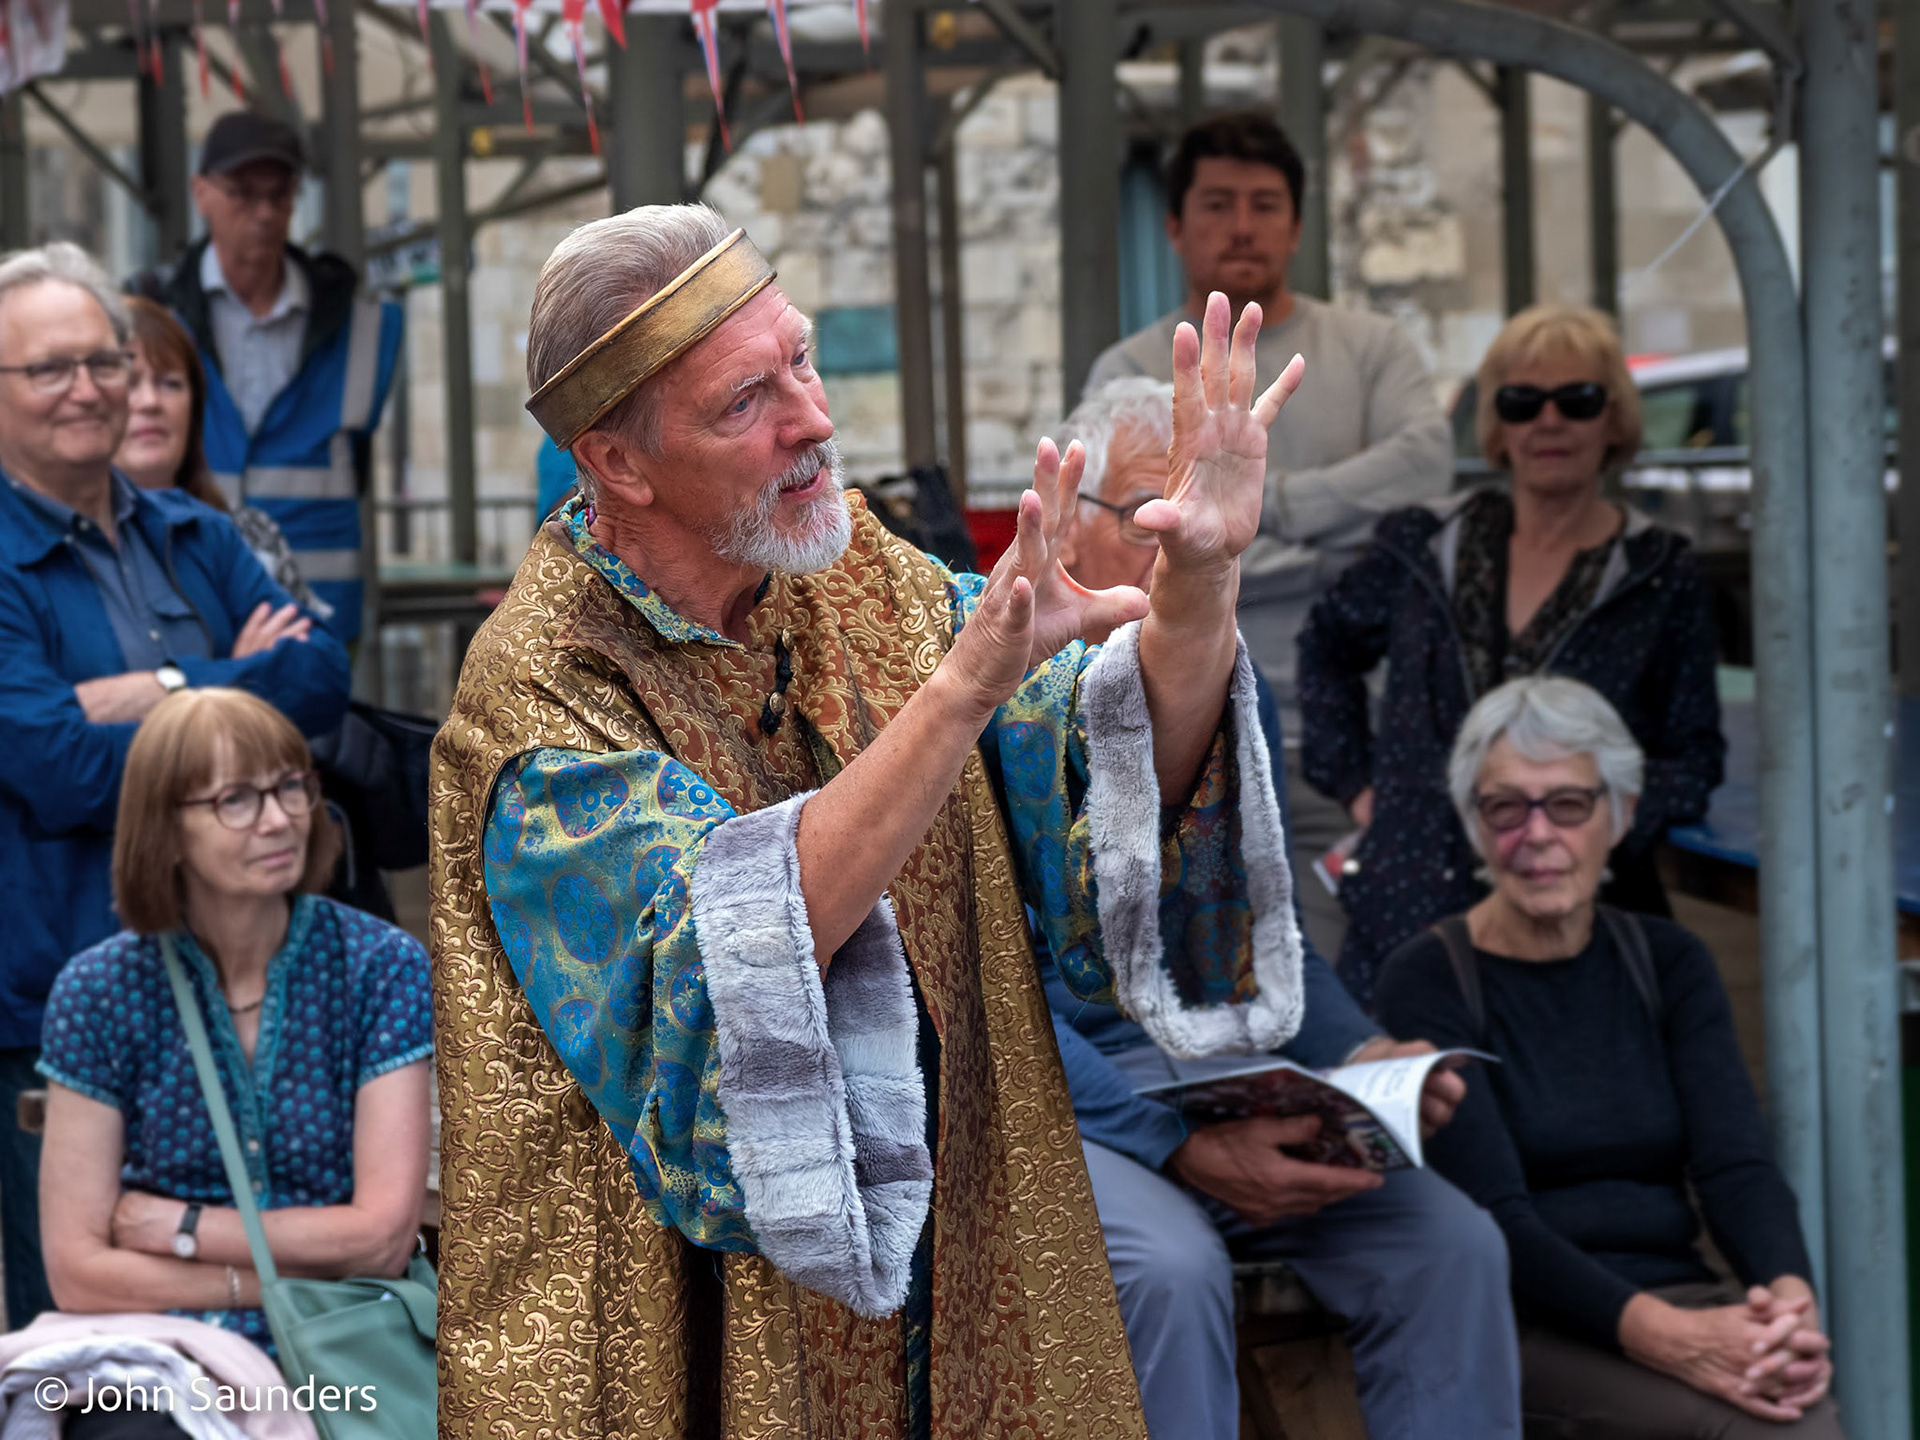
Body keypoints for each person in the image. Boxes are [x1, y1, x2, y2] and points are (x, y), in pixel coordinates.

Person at [431, 202, 1307, 1437]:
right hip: (683, 1325)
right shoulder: (542, 686)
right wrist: (961, 689)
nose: (813, 421)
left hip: (957, 1274)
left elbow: (1095, 787)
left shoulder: (853, 573)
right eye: (747, 401)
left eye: (803, 360)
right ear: (617, 462)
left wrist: (1200, 586)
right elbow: (722, 967)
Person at [1052, 377, 1520, 1440]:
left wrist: (1362, 1063)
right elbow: (980, 994)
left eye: (1208, 507)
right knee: (1170, 1271)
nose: (1186, 539)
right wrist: (1172, 1144)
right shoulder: (999, 672)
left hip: (1219, 1071)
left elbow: (1270, 923)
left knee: (1452, 1247)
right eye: (1149, 513)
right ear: (1071, 513)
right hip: (1061, 1097)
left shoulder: (1222, 673)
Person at [0, 241, 350, 1330]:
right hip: (67, 999)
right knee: (100, 1334)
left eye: (103, 360)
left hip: (257, 981)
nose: (90, 388)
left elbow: (318, 683)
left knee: (278, 1319)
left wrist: (152, 687)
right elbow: (54, 768)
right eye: (48, 369)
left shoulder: (196, 533)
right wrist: (234, 698)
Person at [1375, 677, 1838, 1438]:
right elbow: (1498, 1222)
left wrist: (1789, 1305)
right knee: (1769, 1432)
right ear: (1474, 826)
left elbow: (1737, 1168)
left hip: (1680, 1298)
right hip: (1525, 1323)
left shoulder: (1666, 960)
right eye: (1505, 808)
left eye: (1568, 803)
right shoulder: (1429, 978)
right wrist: (1673, 1341)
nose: (1538, 834)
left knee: (1801, 1404)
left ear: (1619, 814)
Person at [1084, 110, 1453, 967]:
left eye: (1264, 203)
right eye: (1217, 204)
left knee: (1363, 953)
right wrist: (1325, 525)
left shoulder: (1368, 348)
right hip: (1185, 709)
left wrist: (1262, 505)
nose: (1242, 225)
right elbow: (1124, 529)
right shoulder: (1130, 369)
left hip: (1354, 717)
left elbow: (1425, 464)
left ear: (1296, 222)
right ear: (1174, 225)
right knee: (1196, 958)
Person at [1298, 304, 1725, 1006]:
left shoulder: (1659, 572)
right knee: (1397, 1104)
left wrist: (1584, 825)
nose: (1548, 422)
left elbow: (1692, 756)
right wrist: (1363, 789)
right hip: (1408, 910)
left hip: (1575, 927)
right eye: (1522, 402)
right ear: (1497, 425)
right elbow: (1327, 644)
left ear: (1614, 418)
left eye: (1578, 399)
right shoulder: (1421, 542)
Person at [35, 687, 431, 1436]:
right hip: (162, 1355)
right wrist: (268, 1276)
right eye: (236, 800)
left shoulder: (380, 965)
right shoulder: (98, 991)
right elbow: (77, 1272)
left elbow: (379, 1239)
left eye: (291, 786)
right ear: (167, 830)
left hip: (348, 1339)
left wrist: (176, 1225)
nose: (280, 818)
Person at [130, 109, 402, 642]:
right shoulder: (155, 314)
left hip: (319, 621)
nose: (264, 213)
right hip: (186, 604)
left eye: (279, 195)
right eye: (243, 193)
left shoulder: (360, 325)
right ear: (200, 193)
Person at [117, 294, 334, 620]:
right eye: (129, 383)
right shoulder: (69, 549)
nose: (150, 402)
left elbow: (315, 658)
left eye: (170, 384)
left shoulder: (251, 535)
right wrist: (234, 666)